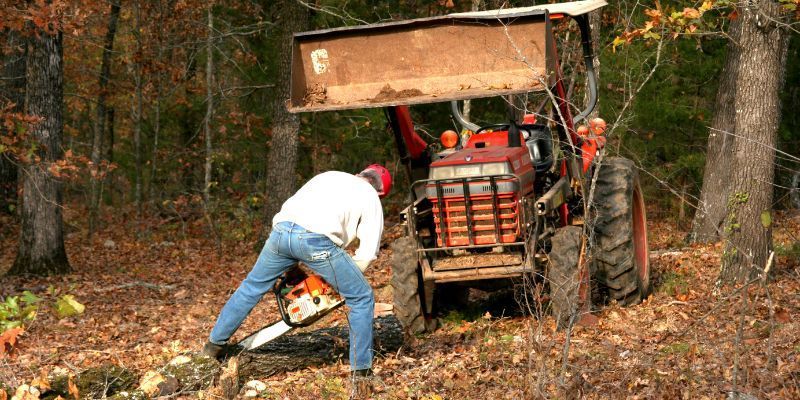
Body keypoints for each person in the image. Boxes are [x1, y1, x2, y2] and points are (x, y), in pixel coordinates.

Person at [202, 165, 391, 385]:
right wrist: (338, 285)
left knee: (251, 287)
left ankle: (213, 345)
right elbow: (367, 255)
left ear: (362, 173)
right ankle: (362, 373)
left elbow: (296, 216)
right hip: (316, 241)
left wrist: (292, 271)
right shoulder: (371, 197)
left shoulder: (329, 176)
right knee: (361, 297)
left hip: (280, 233)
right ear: (380, 191)